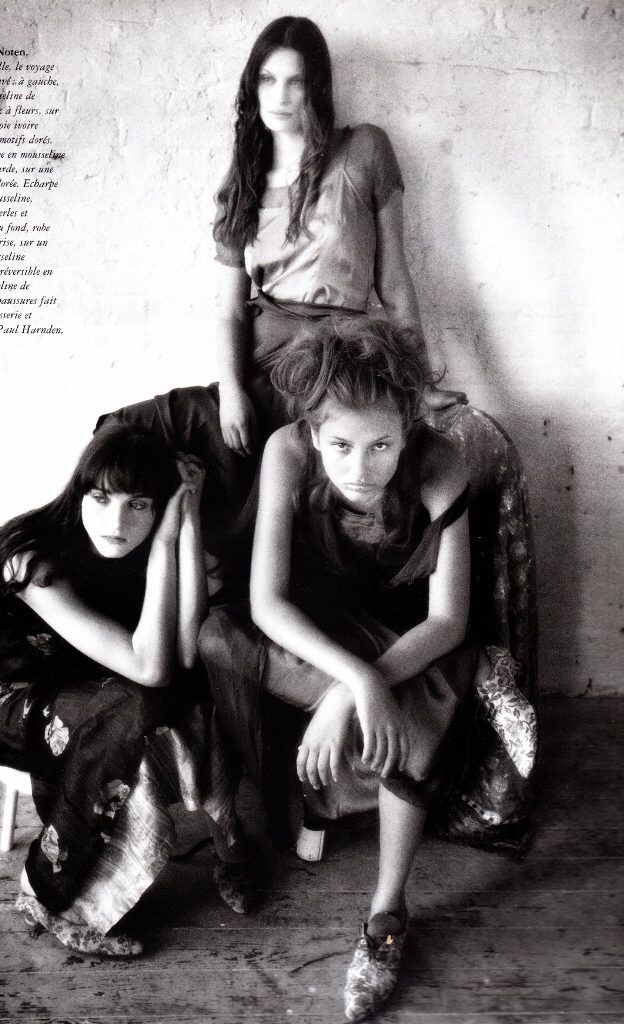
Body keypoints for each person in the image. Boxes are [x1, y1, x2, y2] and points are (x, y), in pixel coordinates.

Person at [199, 318, 487, 1020]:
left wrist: (361, 687)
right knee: (216, 637)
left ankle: (387, 914)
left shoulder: (442, 462)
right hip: (318, 623)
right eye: (341, 445)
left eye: (381, 444)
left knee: (408, 734)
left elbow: (448, 620)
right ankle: (254, 821)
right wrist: (351, 683)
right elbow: (266, 602)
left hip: (406, 635)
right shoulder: (286, 451)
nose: (360, 467)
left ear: (408, 431)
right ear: (312, 430)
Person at [0, 424, 255, 956]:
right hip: (17, 699)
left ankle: (228, 841)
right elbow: (149, 668)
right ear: (79, 493)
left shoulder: (140, 545)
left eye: (138, 505)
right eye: (100, 499)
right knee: (132, 706)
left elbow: (186, 650)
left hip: (100, 680)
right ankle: (56, 897)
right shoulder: (31, 558)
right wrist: (161, 541)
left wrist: (186, 520)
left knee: (198, 679)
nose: (116, 523)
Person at [213, 14, 462, 458]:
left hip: (339, 360)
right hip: (262, 364)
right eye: (268, 79)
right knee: (144, 432)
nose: (280, 96)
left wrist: (419, 381)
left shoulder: (364, 149)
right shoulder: (242, 180)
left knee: (306, 456)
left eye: (296, 82)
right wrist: (231, 392)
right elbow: (231, 309)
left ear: (317, 88)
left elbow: (393, 281)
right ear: (252, 85)